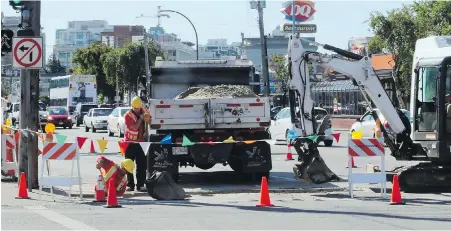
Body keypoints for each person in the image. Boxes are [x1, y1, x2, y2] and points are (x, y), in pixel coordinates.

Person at [124, 96, 151, 192]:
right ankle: (130, 185)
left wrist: (147, 119)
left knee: (141, 164)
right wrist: (140, 118)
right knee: (128, 164)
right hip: (129, 143)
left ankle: (140, 185)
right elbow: (134, 127)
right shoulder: (128, 115)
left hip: (141, 142)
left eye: (138, 108)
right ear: (132, 107)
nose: (137, 110)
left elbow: (150, 121)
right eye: (135, 108)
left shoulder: (144, 111)